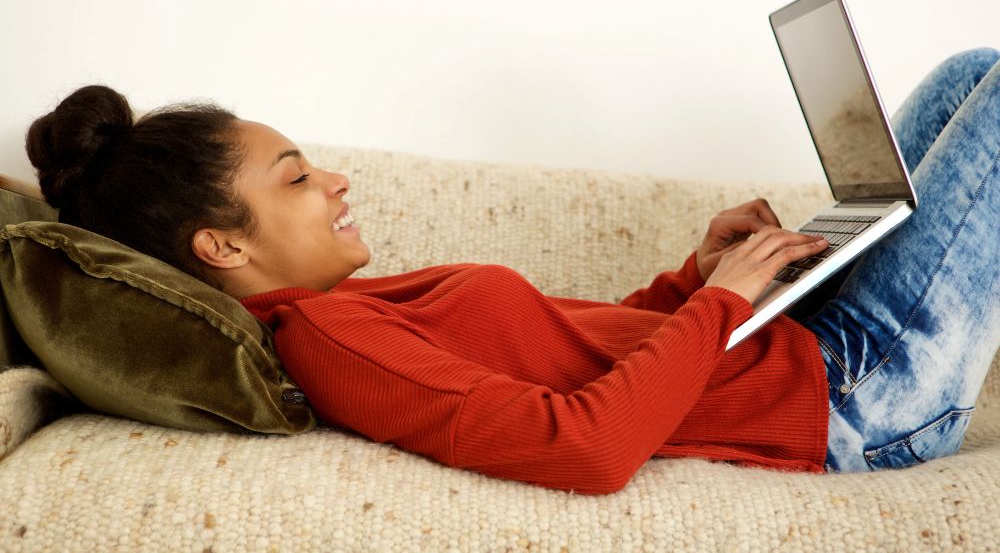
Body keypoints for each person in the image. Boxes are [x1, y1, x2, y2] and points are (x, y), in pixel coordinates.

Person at [24, 48, 1000, 494]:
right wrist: (718, 302)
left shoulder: (348, 307)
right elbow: (586, 445)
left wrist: (690, 279)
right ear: (224, 246)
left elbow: (578, 355)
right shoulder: (329, 341)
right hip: (853, 394)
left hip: (785, 345)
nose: (334, 180)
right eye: (297, 176)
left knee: (968, 72)